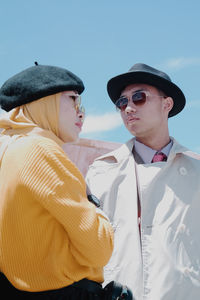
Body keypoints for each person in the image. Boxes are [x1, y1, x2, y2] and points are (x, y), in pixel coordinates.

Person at [0, 63, 115, 299]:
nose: (81, 112)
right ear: (44, 102)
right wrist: (94, 203)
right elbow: (99, 250)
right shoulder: (42, 150)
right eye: (73, 100)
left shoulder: (8, 149)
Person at [86, 63, 200, 300]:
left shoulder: (196, 171)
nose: (128, 108)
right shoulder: (100, 172)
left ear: (166, 104)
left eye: (139, 97)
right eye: (121, 102)